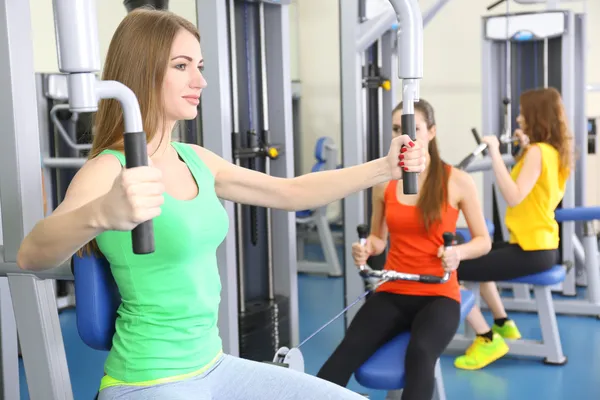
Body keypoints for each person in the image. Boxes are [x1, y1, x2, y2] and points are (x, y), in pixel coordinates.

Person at [15, 8, 426, 400]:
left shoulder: (196, 158)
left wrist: (384, 167)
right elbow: (32, 254)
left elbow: (290, 192)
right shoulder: (109, 168)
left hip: (214, 365)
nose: (200, 80)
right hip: (149, 379)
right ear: (142, 71)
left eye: (200, 66)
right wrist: (100, 213)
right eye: (182, 66)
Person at [316, 98, 492, 400]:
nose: (406, 136)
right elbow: (378, 238)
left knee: (421, 354)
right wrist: (366, 248)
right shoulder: (384, 184)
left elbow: (483, 241)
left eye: (415, 128)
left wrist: (457, 253)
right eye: (398, 128)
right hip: (394, 289)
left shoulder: (458, 182)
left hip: (438, 295)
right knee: (345, 353)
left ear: (432, 132)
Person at [453, 87, 573, 370]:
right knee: (476, 253)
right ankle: (503, 323)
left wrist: (495, 152)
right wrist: (524, 145)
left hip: (533, 250)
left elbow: (514, 196)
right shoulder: (551, 151)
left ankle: (487, 339)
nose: (518, 118)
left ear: (535, 115)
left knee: (452, 266)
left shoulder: (537, 152)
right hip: (538, 245)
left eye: (522, 113)